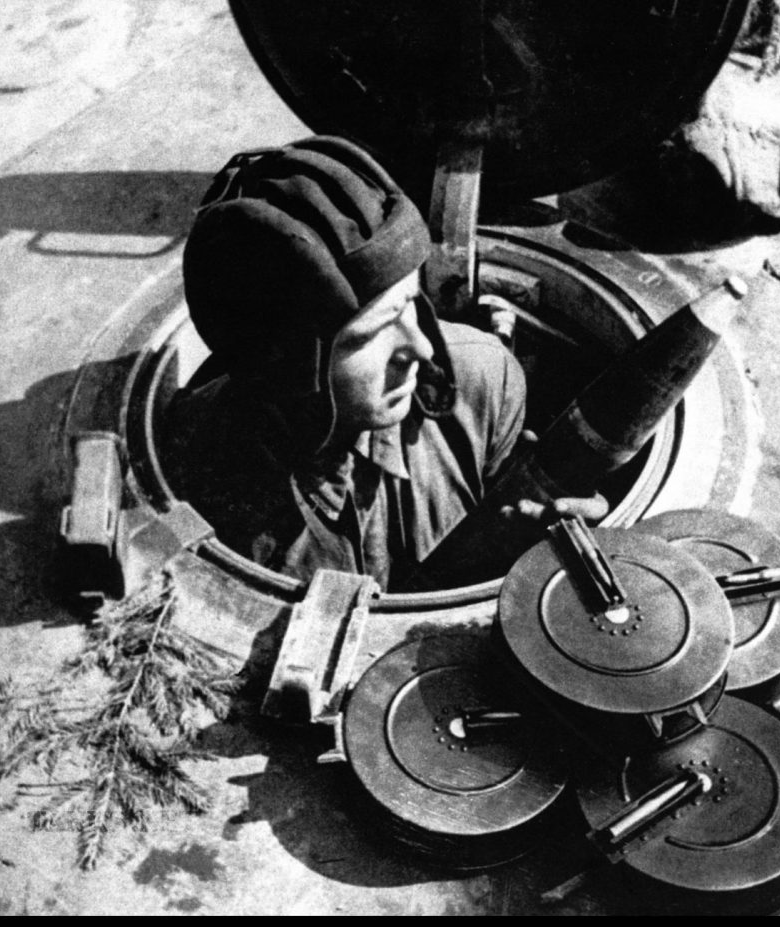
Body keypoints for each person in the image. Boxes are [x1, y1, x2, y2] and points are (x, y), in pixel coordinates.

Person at [165, 136, 606, 590]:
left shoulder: (482, 380)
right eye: (373, 333)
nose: (422, 350)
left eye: (411, 304)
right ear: (287, 367)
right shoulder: (194, 476)